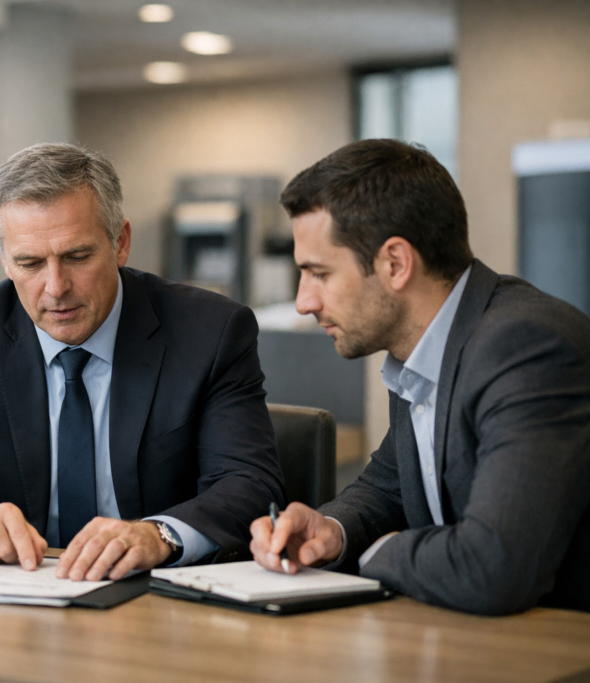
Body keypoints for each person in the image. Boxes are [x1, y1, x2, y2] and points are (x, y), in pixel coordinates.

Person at [0, 143, 284, 581]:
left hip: (161, 596)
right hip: (17, 598)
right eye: (29, 263)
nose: (55, 287)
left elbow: (250, 488)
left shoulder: (210, 331)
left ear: (120, 243)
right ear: (4, 259)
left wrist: (158, 536)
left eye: (77, 257)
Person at [249, 139, 590, 615]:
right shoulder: (424, 351)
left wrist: (378, 552)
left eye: (318, 273)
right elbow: (387, 489)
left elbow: (494, 567)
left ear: (395, 263)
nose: (304, 301)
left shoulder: (526, 348)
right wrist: (332, 531)